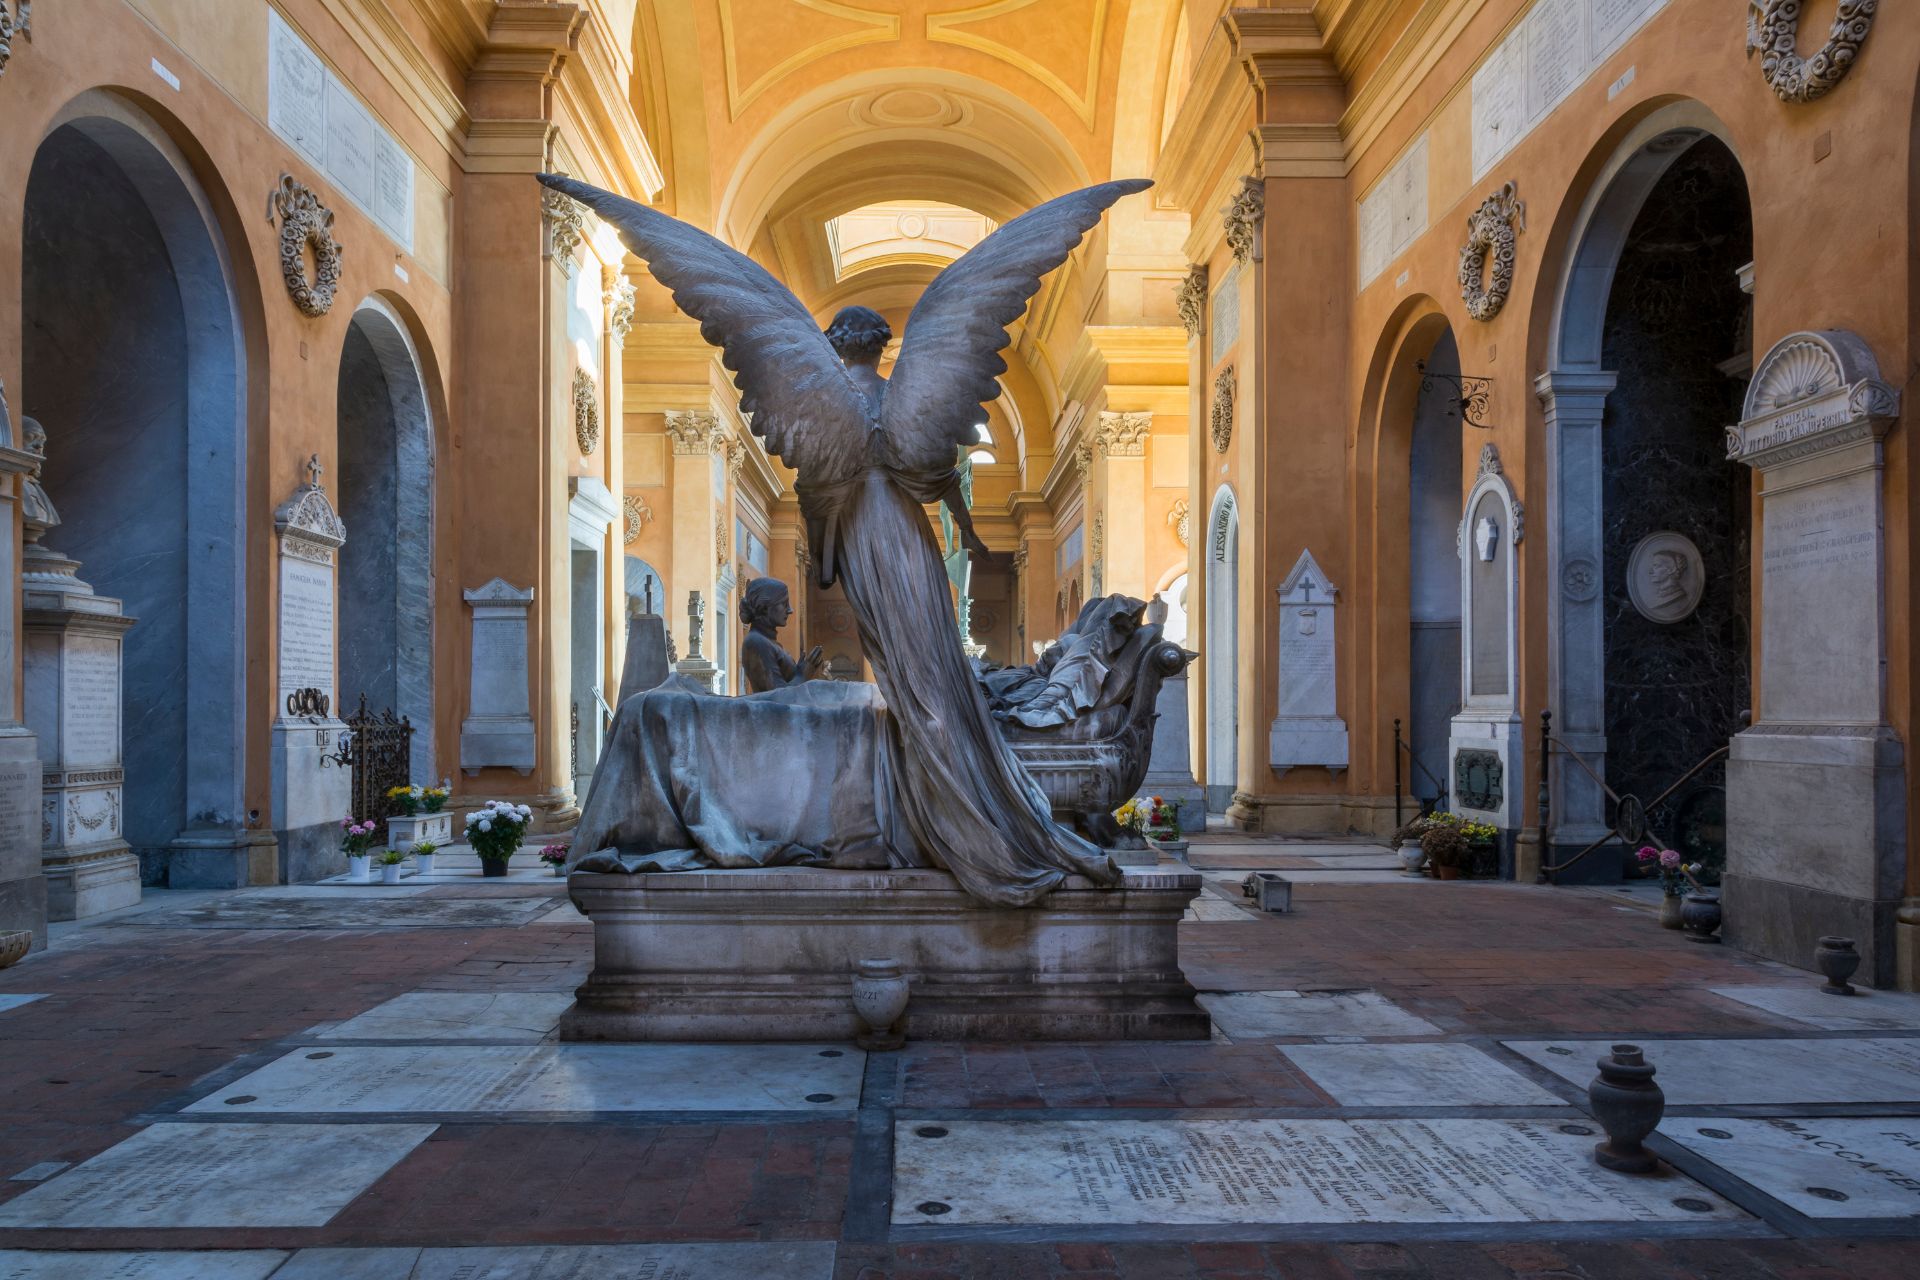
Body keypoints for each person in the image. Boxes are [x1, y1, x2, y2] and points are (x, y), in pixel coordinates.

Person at [738, 577, 826, 694]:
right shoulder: (757, 642)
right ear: (765, 606)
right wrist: (803, 674)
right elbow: (778, 697)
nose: (790, 610)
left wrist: (801, 670)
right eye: (784, 604)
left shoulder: (768, 641)